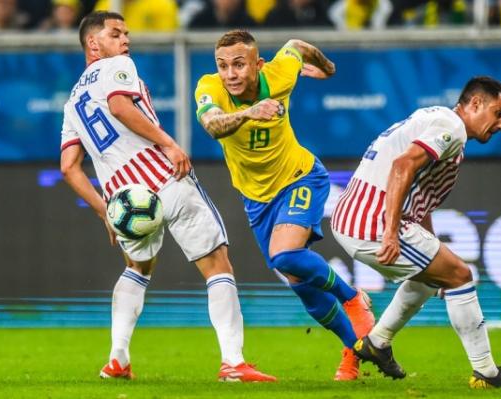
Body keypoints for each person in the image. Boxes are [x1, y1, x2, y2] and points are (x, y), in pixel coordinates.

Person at [60, 11, 275, 382]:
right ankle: (234, 363)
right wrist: (170, 143)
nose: (125, 40)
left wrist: (105, 212)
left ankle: (118, 359)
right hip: (165, 179)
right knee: (217, 264)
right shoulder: (117, 66)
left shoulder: (72, 102)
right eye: (115, 33)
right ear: (93, 44)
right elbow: (120, 106)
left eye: (126, 33)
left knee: (137, 268)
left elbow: (68, 167)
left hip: (124, 200)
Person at [194, 29, 375, 381]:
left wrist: (328, 67)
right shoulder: (209, 86)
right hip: (257, 199)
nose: (230, 74)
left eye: (239, 65)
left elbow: (297, 45)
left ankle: (353, 299)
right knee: (300, 285)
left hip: (300, 177)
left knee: (285, 255)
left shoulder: (279, 73)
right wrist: (250, 114)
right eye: (223, 66)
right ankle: (356, 350)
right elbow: (212, 125)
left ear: (258, 65)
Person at [331, 76, 501, 388]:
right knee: (460, 275)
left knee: (430, 277)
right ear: (475, 104)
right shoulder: (452, 128)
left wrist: (432, 249)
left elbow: (420, 199)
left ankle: (377, 344)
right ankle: (486, 373)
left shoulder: (433, 117)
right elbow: (401, 167)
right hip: (373, 221)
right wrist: (391, 232)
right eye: (498, 113)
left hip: (354, 216)